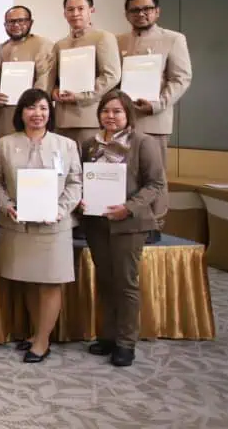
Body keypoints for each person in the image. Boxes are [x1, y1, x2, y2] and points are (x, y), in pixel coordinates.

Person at [0, 88, 82, 363]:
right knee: (29, 279)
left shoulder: (66, 145)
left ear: (49, 112)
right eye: (30, 108)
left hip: (55, 226)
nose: (37, 114)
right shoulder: (4, 144)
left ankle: (42, 340)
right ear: (21, 113)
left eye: (42, 108)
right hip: (19, 225)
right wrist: (6, 206)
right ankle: (35, 333)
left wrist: (60, 210)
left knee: (51, 282)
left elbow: (76, 183)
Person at [80, 90, 166, 368]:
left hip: (128, 224)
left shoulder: (142, 143)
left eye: (117, 111)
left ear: (128, 114)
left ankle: (126, 342)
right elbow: (82, 178)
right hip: (96, 222)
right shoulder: (89, 144)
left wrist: (129, 207)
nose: (111, 116)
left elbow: (155, 185)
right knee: (105, 280)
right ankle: (107, 335)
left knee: (126, 282)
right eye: (106, 111)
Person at [117, 0, 192, 237]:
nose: (141, 14)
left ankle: (155, 223)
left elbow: (181, 79)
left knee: (154, 174)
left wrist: (157, 104)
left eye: (146, 9)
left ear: (157, 11)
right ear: (127, 14)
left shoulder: (173, 39)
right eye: (135, 10)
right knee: (125, 173)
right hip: (121, 123)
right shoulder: (118, 41)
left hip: (154, 120)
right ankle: (129, 219)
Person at [52, 0, 121, 152]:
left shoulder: (103, 37)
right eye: (70, 10)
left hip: (89, 116)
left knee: (88, 168)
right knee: (63, 169)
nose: (75, 13)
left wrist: (81, 96)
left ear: (91, 10)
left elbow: (111, 75)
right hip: (62, 118)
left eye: (80, 9)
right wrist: (53, 91)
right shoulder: (60, 44)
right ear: (64, 14)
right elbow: (54, 79)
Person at [0, 6, 54, 139]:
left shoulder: (43, 45)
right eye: (11, 22)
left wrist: (31, 104)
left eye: (21, 20)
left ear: (30, 22)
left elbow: (44, 81)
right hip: (5, 119)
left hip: (34, 119)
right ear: (5, 25)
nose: (16, 25)